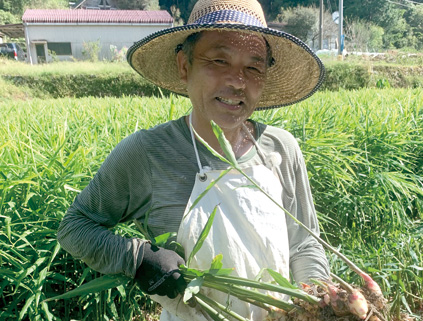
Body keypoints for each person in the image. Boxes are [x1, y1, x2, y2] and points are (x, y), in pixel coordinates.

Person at [57, 0, 330, 320]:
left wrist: (318, 300)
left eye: (253, 67)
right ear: (184, 66)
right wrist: (137, 257)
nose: (238, 81)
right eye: (219, 59)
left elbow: (304, 246)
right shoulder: (147, 153)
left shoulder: (281, 149)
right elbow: (75, 227)